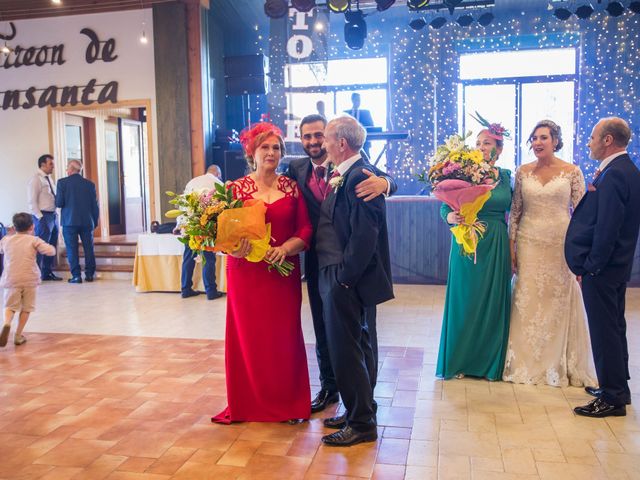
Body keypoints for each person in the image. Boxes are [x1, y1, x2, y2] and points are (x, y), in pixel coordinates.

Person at [286, 114, 397, 415]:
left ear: (336, 140)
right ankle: (331, 389)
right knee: (326, 332)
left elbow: (379, 180)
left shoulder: (357, 171)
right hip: (318, 263)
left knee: (360, 335)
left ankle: (364, 402)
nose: (314, 142)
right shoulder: (296, 168)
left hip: (349, 268)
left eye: (319, 135)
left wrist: (386, 182)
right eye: (307, 136)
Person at [212, 122, 313, 424]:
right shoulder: (233, 189)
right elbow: (220, 236)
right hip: (246, 274)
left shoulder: (291, 187)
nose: (271, 152)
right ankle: (247, 404)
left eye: (276, 148)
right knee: (249, 338)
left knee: (284, 339)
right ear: (251, 152)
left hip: (283, 274)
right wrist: (232, 248)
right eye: (265, 147)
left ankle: (287, 404)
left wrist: (286, 249)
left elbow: (306, 229)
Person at [315, 116, 394, 447]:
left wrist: (344, 279)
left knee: (348, 350)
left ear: (342, 143)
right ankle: (360, 409)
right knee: (355, 347)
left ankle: (361, 423)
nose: (323, 145)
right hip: (336, 273)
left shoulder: (360, 176)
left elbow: (365, 235)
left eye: (327, 139)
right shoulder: (345, 174)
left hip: (344, 277)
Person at [504, 120, 596, 387]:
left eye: (543, 137)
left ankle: (558, 361)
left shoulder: (572, 172)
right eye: (533, 138)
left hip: (560, 243)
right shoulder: (522, 172)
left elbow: (582, 215)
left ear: (556, 141)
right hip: (529, 242)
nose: (537, 143)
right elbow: (516, 212)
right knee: (528, 296)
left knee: (556, 299)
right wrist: (512, 246)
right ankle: (526, 361)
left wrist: (582, 252)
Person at [566, 117, 640, 418]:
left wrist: (592, 266)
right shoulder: (628, 170)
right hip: (617, 267)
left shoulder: (615, 175)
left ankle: (612, 397)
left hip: (603, 269)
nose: (589, 142)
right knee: (615, 326)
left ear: (608, 140)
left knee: (604, 330)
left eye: (593, 137)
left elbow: (607, 227)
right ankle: (617, 386)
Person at [436, 125, 512, 381]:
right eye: (479, 143)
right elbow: (444, 206)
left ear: (499, 149)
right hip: (467, 240)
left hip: (497, 242)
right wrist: (451, 216)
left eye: (488, 143)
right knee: (464, 300)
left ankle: (489, 364)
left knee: (493, 302)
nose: (481, 147)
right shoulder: (464, 171)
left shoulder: (507, 176)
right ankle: (459, 360)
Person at [0, 213, 56, 347]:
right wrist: (50, 247)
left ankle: (7, 323)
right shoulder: (34, 240)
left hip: (11, 278)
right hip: (29, 279)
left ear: (14, 227)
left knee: (9, 306)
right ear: (32, 226)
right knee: (26, 308)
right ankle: (18, 335)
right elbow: (50, 251)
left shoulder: (6, 240)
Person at [175, 164, 224, 300]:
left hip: (190, 224)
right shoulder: (219, 183)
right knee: (208, 258)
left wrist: (179, 224)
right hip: (207, 225)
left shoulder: (192, 181)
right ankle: (211, 291)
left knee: (188, 256)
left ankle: (185, 289)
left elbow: (182, 204)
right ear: (218, 174)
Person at [55, 160, 100, 284]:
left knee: (71, 249)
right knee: (89, 248)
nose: (66, 171)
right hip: (87, 221)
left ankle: (76, 276)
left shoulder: (62, 183)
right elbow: (94, 205)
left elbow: (59, 203)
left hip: (69, 221)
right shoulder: (89, 184)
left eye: (67, 168)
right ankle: (90, 274)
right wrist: (95, 221)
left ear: (70, 169)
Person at [27, 154, 62, 281]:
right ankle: (36, 274)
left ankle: (47, 272)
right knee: (41, 245)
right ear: (42, 165)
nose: (53, 166)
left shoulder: (49, 179)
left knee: (51, 245)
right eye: (50, 164)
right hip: (43, 216)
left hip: (53, 215)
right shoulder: (36, 179)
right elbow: (32, 201)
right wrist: (40, 217)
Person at [344, 93, 374, 158]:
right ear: (352, 100)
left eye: (359, 100)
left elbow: (371, 126)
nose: (358, 102)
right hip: (349, 143)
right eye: (356, 100)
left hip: (364, 142)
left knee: (366, 160)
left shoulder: (366, 113)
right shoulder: (346, 113)